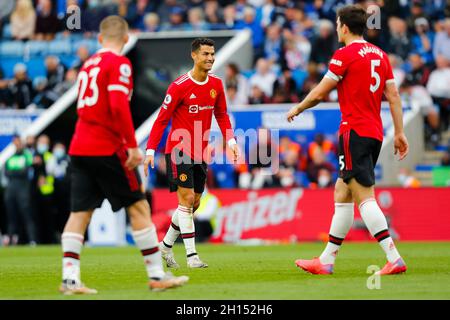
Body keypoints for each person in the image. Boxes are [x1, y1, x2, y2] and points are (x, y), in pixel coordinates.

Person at [60, 15, 188, 295]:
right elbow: (118, 106)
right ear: (127, 39)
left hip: (79, 146)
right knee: (138, 206)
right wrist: (132, 146)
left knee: (79, 213)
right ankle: (156, 275)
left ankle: (70, 278)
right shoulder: (119, 63)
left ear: (99, 39)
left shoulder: (87, 65)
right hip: (107, 146)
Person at [287, 5, 409, 276]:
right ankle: (326, 260)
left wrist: (299, 107)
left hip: (353, 131)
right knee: (342, 193)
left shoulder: (344, 55)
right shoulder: (381, 54)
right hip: (375, 132)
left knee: (364, 196)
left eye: (337, 23)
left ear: (343, 27)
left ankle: (394, 256)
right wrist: (399, 132)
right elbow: (394, 97)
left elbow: (320, 93)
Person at [144, 38, 239, 269]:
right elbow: (161, 120)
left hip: (201, 152)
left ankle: (164, 247)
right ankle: (192, 256)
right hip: (179, 149)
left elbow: (222, 115)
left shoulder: (216, 84)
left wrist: (232, 140)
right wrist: (149, 150)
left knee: (194, 203)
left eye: (212, 54)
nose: (210, 58)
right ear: (194, 56)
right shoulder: (179, 86)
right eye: (205, 54)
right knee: (186, 200)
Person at [2, 135, 37, 246]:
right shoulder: (9, 156)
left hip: (23, 189)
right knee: (11, 216)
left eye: (18, 141)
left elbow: (25, 171)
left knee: (27, 215)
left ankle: (32, 240)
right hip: (11, 190)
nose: (16, 144)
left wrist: (15, 172)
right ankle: (11, 239)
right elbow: (6, 173)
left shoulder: (26, 154)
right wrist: (18, 172)